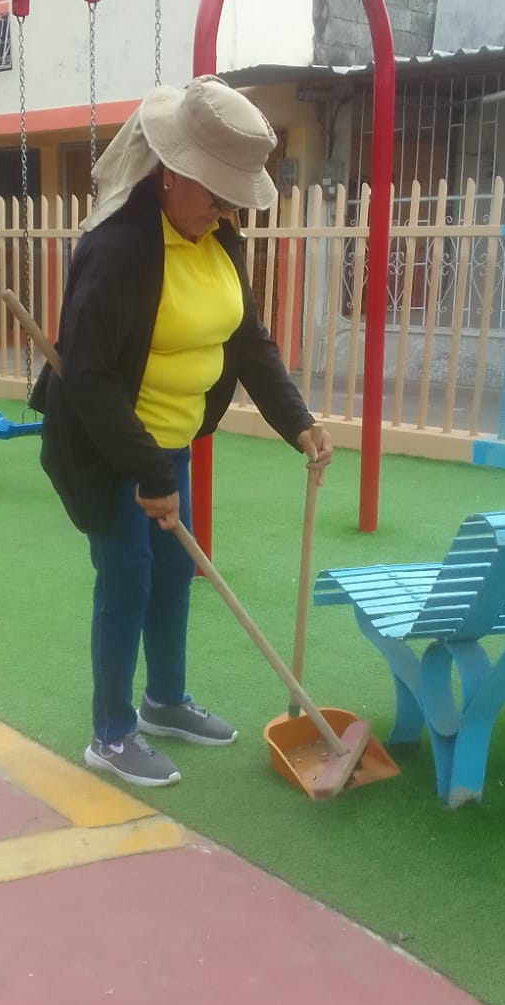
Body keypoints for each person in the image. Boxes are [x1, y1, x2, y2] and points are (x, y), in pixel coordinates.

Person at [30, 76, 332, 789]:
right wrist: (149, 473)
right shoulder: (117, 248)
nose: (225, 211)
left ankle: (164, 702)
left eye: (233, 200)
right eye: (216, 195)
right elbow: (91, 378)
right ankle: (111, 733)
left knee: (173, 574)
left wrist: (297, 421)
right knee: (127, 580)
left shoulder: (217, 236)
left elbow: (247, 340)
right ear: (172, 173)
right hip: (109, 447)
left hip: (172, 443)